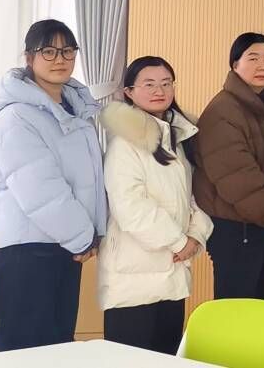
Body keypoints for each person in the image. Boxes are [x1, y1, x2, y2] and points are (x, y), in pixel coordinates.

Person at [0, 19, 105, 351]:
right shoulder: (15, 118)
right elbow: (41, 191)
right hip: (28, 254)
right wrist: (84, 237)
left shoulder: (73, 112)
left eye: (68, 51)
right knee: (28, 354)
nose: (60, 59)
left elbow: (89, 180)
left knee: (58, 350)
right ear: (29, 57)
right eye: (49, 51)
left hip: (63, 248)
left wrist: (91, 234)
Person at [99, 56, 213, 354]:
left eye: (166, 83)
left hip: (171, 275)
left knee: (166, 356)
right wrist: (179, 242)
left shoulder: (178, 138)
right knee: (129, 359)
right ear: (129, 92)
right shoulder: (124, 143)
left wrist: (195, 236)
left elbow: (196, 197)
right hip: (134, 279)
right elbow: (131, 207)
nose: (159, 91)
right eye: (148, 84)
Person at [193, 32, 264, 300]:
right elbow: (237, 174)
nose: (262, 65)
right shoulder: (223, 110)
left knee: (259, 303)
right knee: (236, 307)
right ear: (235, 64)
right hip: (236, 226)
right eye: (253, 58)